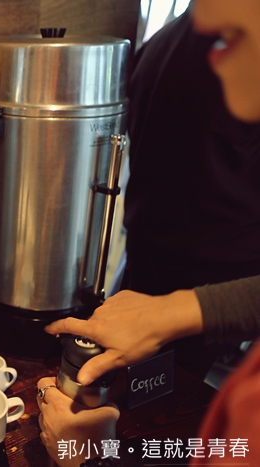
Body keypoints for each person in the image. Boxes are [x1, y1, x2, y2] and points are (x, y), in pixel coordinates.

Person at [36, 0, 260, 466]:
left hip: (202, 275)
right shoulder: (170, 43)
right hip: (157, 275)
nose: (208, 27)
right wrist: (179, 311)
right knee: (148, 398)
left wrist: (94, 458)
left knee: (171, 402)